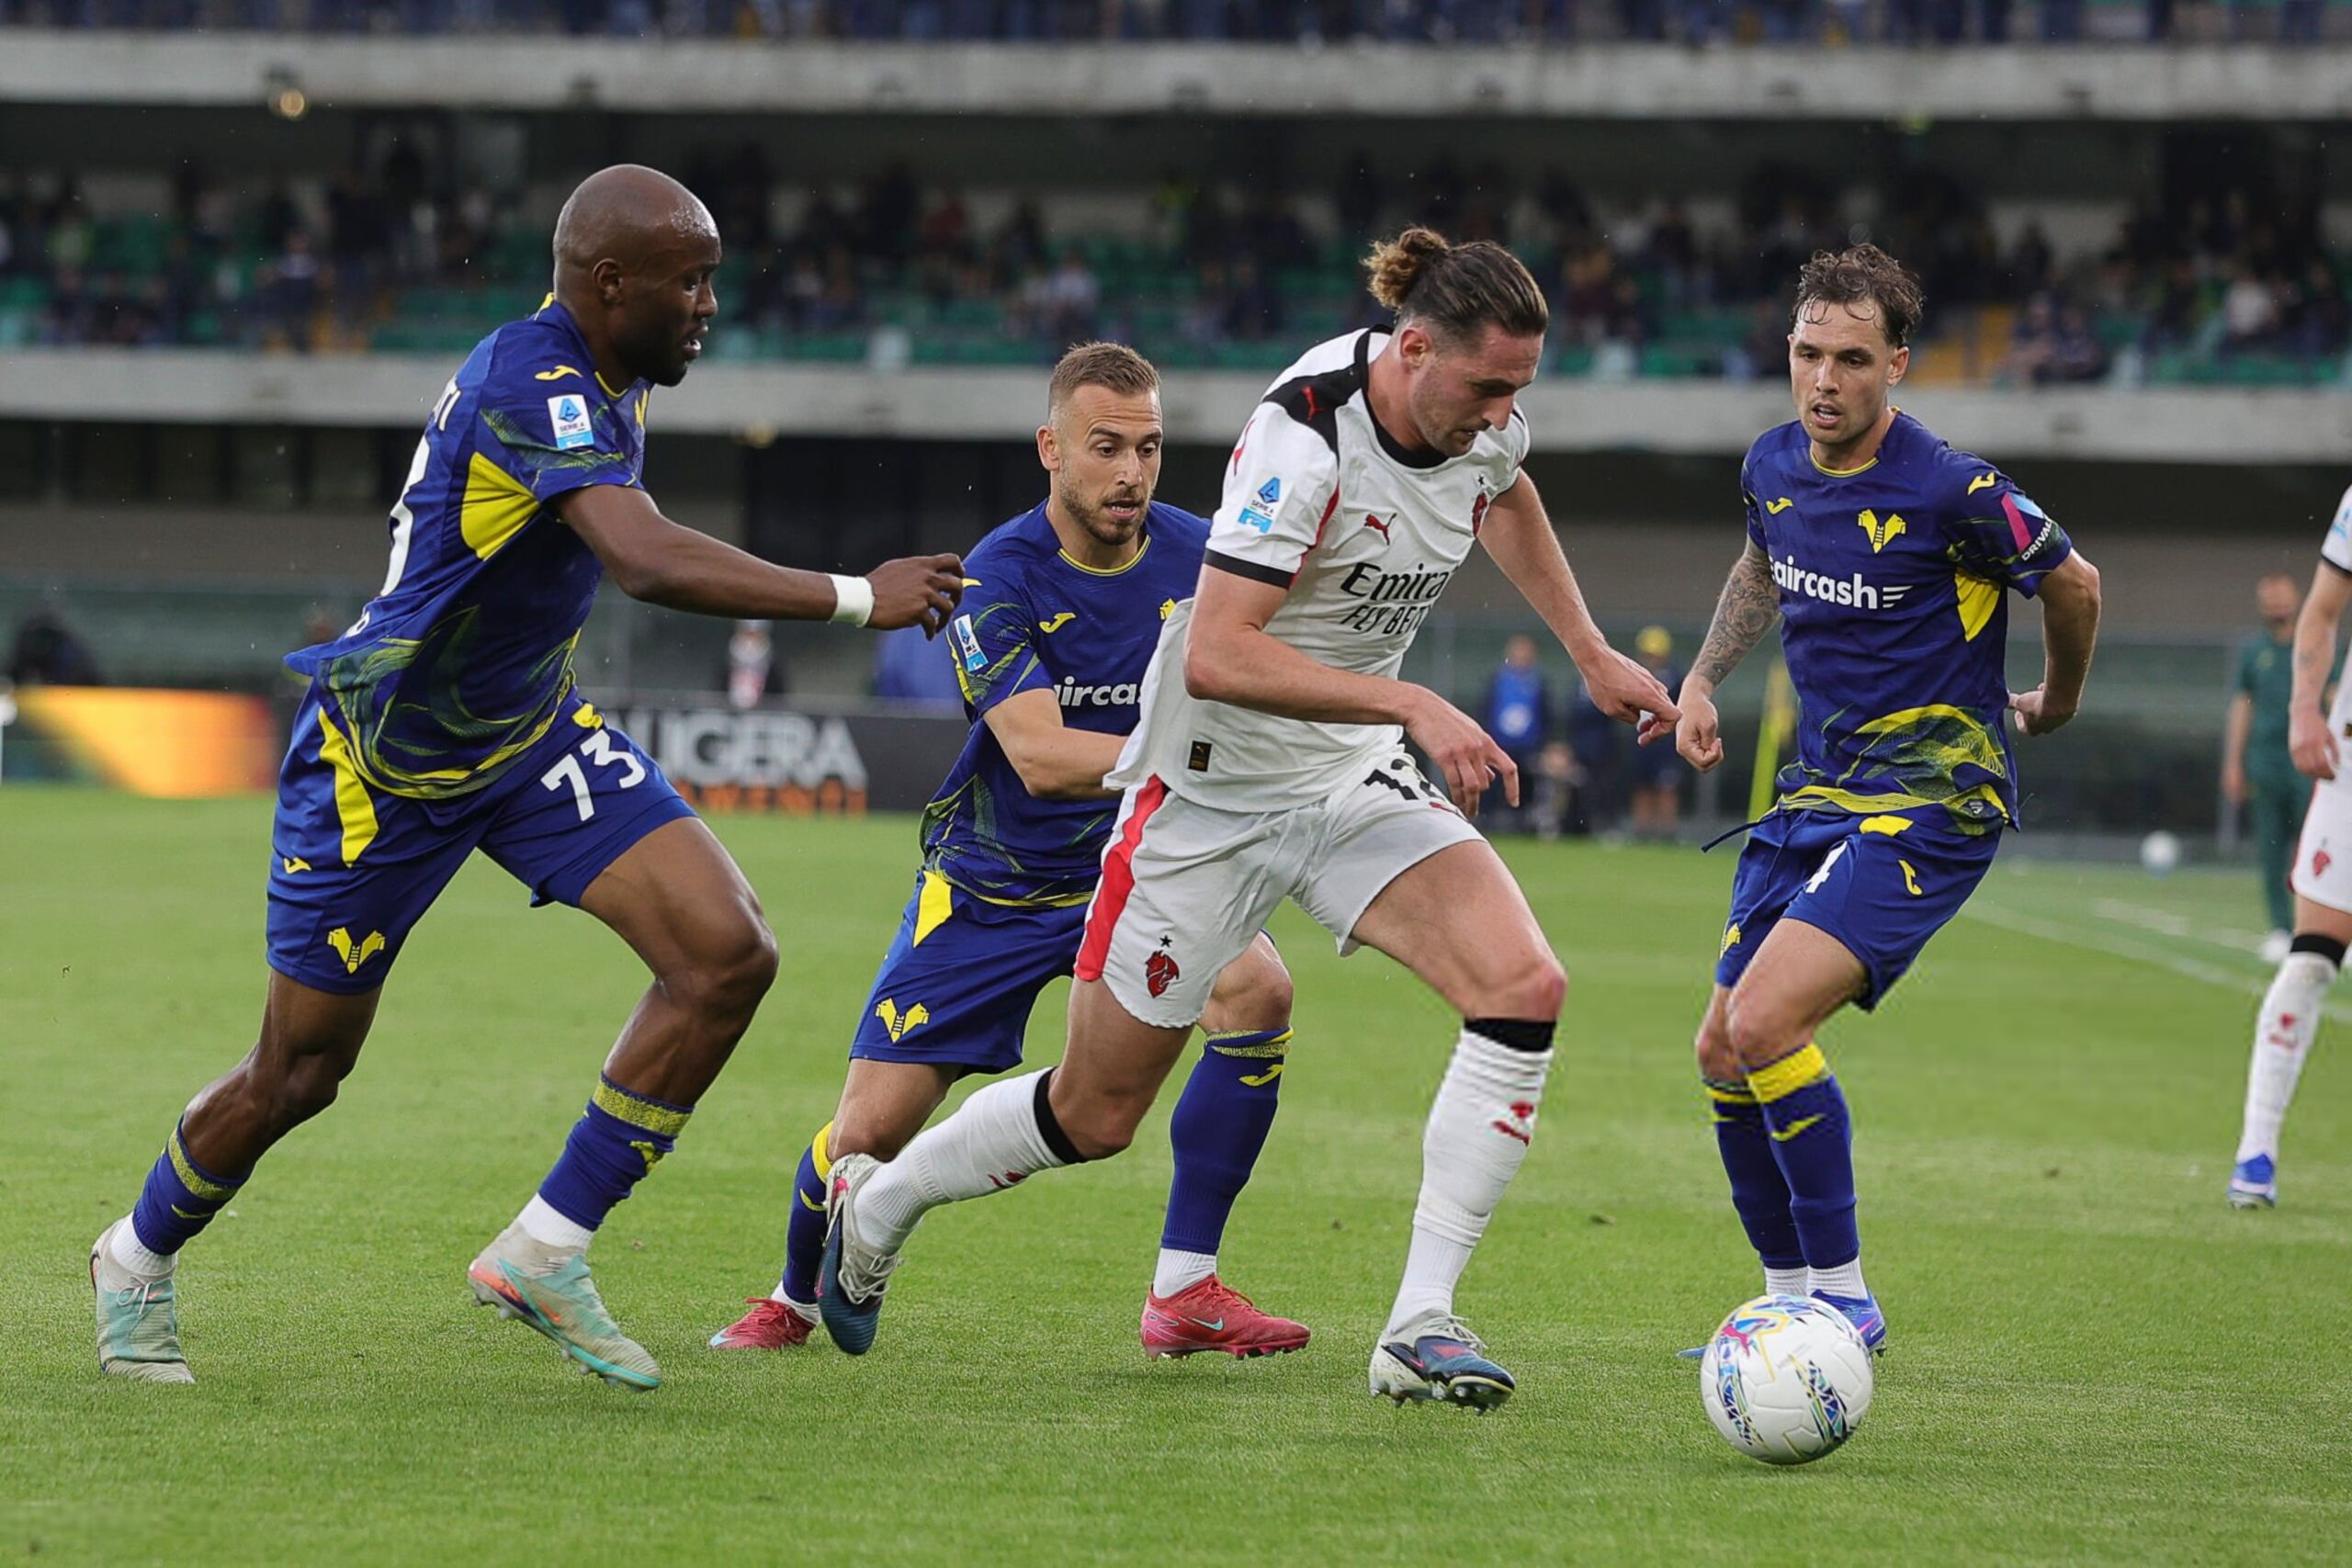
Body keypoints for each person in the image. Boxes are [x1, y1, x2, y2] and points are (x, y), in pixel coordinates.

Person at [87, 164, 966, 1390]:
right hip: (383, 761)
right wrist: (859, 596)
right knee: (300, 1071)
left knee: (727, 953)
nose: (709, 304)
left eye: (712, 278)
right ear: (609, 283)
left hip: (526, 735)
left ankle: (545, 1247)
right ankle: (133, 1256)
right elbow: (644, 559)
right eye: (690, 280)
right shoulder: (531, 381)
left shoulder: (612, 378)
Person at [815, 228, 1675, 1412]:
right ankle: (884, 1202)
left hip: (1344, 777)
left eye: (1516, 391)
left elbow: (1504, 490)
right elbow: (1218, 655)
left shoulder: (1481, 421)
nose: (1501, 415)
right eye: (1486, 387)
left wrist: (1586, 649)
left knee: (1523, 987)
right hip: (1207, 797)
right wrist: (1414, 701)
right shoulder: (1303, 438)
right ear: (1413, 350)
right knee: (1095, 1113)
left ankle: (1418, 1324)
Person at [710, 342, 1306, 1359]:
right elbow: (1040, 757)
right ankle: (793, 1299)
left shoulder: (1204, 558)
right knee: (866, 1133)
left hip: (1140, 868)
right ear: (1050, 449)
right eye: (1106, 447)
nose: (1131, 472)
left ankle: (1184, 1288)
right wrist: (1198, 756)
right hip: (994, 882)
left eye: (1149, 448)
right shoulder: (995, 576)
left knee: (1258, 992)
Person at [1672, 244, 2101, 1355]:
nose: (1824, 380)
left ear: (1897, 364)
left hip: (1933, 799)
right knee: (1721, 1047)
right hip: (1815, 795)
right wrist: (1701, 680)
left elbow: (2074, 580)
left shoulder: (1951, 487)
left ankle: (1844, 1301)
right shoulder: (1772, 462)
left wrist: (2054, 700)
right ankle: (1786, 1303)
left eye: (1852, 360)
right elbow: (1761, 565)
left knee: (1765, 1022)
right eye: (1808, 354)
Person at [2227, 483, 2352, 1208]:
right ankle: (2257, 1150)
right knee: (2312, 956)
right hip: (2347, 760)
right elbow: (2324, 608)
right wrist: (2307, 707)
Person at [2223, 573, 2314, 961]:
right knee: (2271, 847)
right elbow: (2241, 708)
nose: (2277, 606)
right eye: (2270, 599)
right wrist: (2234, 763)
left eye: (2283, 598)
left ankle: (2322, 930)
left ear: (2297, 599)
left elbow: (2335, 699)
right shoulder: (2253, 652)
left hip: (2308, 761)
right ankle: (2281, 928)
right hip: (2265, 761)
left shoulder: (2315, 645)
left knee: (2317, 846)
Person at [1483, 634, 1548, 830]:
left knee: (1525, 784)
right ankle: (1489, 820)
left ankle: (1522, 821)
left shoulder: (1538, 681)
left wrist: (1541, 744)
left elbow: (1545, 714)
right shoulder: (1497, 679)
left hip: (1528, 746)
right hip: (1499, 744)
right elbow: (1486, 708)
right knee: (1495, 782)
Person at [1627, 626, 1685, 840]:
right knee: (1642, 786)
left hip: (1666, 741)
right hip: (1642, 737)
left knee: (1666, 787)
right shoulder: (1635, 677)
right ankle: (1642, 830)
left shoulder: (1674, 678)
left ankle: (1668, 832)